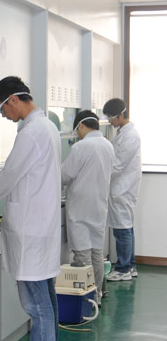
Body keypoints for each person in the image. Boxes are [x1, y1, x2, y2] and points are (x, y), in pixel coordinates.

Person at [0, 76, 61, 341]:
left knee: (37, 304)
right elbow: (19, 172)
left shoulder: (32, 132)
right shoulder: (45, 127)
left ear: (13, 99)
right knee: (46, 300)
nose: (3, 115)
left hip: (31, 231)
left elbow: (10, 176)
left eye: (1, 108)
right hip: (40, 228)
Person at [61, 110, 114, 304]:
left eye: (77, 130)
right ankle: (96, 295)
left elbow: (64, 175)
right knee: (97, 253)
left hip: (81, 208)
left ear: (81, 125)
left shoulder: (81, 147)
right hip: (99, 206)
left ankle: (86, 299)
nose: (77, 134)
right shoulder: (108, 145)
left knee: (82, 257)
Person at [103, 98, 142, 281]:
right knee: (126, 228)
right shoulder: (122, 133)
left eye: (111, 118)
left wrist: (99, 174)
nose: (110, 121)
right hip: (121, 188)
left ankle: (123, 269)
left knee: (122, 230)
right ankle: (130, 266)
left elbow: (118, 165)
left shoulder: (130, 136)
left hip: (123, 189)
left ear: (120, 115)